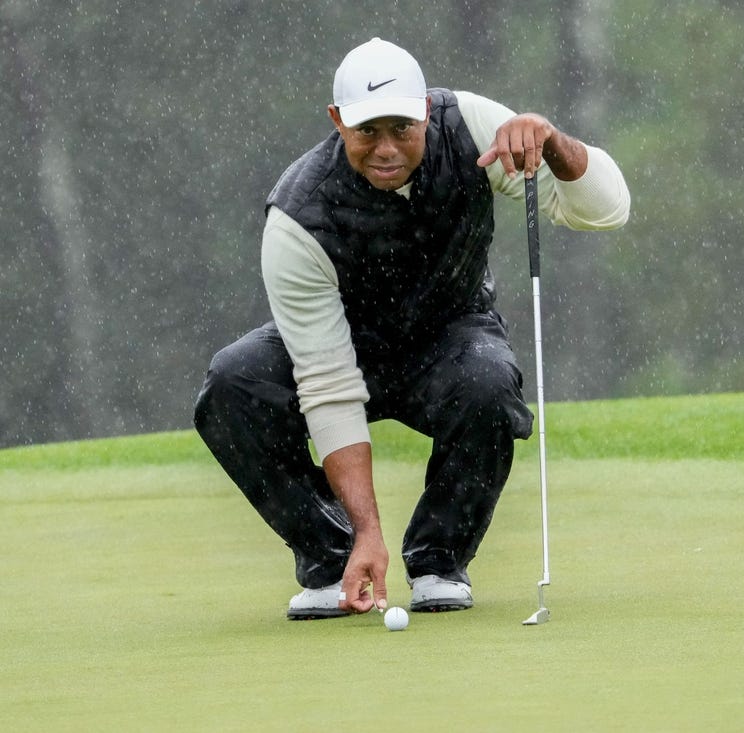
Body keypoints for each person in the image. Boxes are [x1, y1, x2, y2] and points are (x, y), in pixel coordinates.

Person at [194, 38, 630, 620]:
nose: (386, 148)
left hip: (452, 335)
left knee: (489, 381)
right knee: (232, 384)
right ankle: (335, 560)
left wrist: (552, 144)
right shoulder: (298, 216)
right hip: (342, 344)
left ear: (426, 110)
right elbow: (328, 384)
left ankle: (438, 561)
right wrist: (365, 532)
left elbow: (607, 209)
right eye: (367, 130)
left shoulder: (473, 128)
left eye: (402, 126)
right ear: (336, 122)